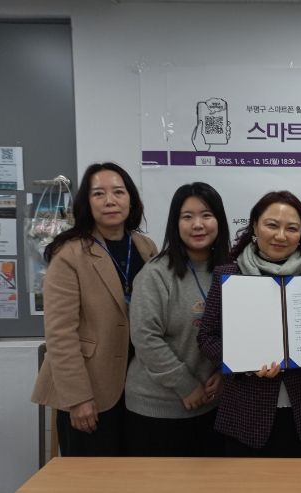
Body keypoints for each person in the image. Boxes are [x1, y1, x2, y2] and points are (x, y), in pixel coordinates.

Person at [197, 191, 301, 458]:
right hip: (245, 414)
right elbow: (207, 337)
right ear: (255, 227)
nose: (281, 235)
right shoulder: (228, 276)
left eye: (292, 228)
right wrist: (245, 363)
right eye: (272, 225)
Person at [31, 162, 158, 456]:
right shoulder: (69, 253)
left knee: (136, 473)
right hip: (91, 387)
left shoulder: (145, 247)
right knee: (92, 475)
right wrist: (78, 398)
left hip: (138, 385)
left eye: (118, 192)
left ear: (131, 199)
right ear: (87, 203)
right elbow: (60, 334)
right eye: (99, 194)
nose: (110, 200)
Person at [124, 183, 230, 456]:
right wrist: (186, 386)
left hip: (212, 406)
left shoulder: (231, 272)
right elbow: (145, 338)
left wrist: (224, 373)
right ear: (175, 223)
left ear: (219, 220)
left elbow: (237, 335)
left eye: (206, 215)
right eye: (187, 216)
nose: (198, 224)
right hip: (157, 409)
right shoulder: (156, 274)